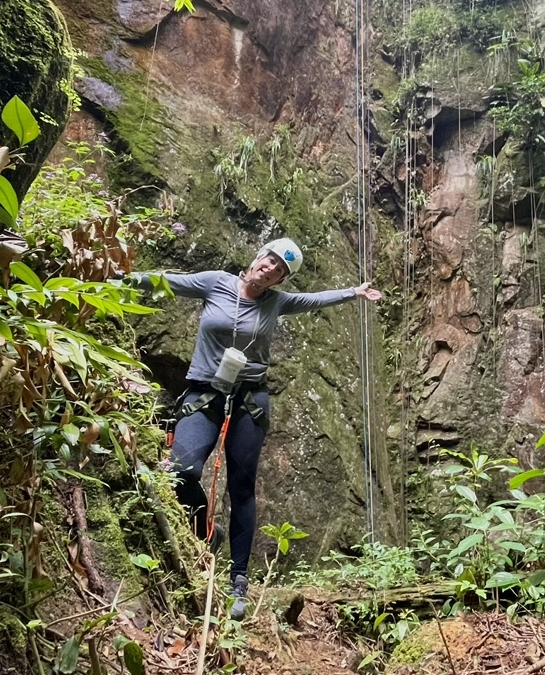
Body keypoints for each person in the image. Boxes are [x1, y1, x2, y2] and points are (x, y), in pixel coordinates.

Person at [135, 237, 382, 619]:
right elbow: (166, 280)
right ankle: (207, 530)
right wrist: (117, 277)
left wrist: (354, 292)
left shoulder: (276, 302)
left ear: (280, 279)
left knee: (242, 487)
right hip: (205, 392)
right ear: (258, 257)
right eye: (270, 261)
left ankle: (238, 580)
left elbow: (315, 299)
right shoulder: (215, 282)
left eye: (280, 271)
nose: (271, 270)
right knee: (181, 472)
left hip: (250, 399)